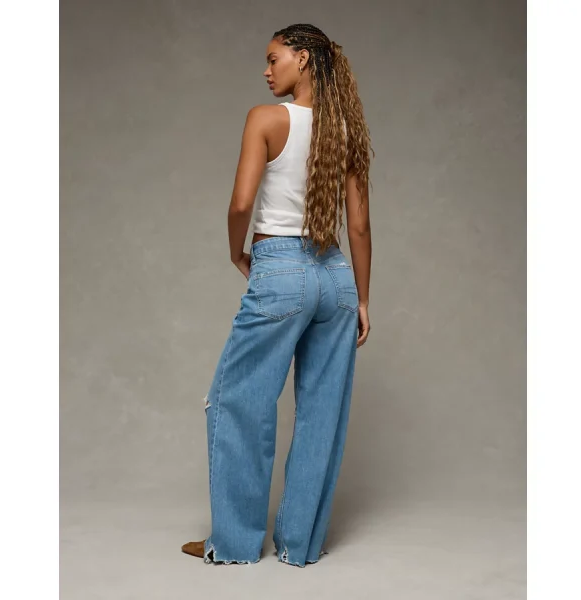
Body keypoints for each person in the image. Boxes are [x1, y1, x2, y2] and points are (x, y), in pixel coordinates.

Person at [181, 23, 373, 567]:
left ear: (304, 58)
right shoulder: (345, 129)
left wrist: (236, 252)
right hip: (336, 277)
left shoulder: (265, 119)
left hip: (281, 270)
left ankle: (236, 544)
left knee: (238, 402)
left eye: (274, 59)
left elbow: (241, 204)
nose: (266, 71)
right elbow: (359, 226)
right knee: (321, 414)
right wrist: (362, 299)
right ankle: (300, 546)